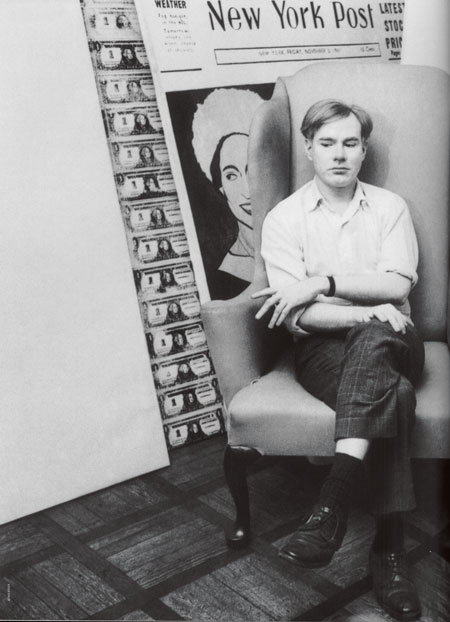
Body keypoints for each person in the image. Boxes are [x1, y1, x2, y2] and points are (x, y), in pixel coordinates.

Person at [253, 100, 424, 621]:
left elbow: (397, 285)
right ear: (308, 149)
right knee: (393, 394)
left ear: (364, 149)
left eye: (350, 143)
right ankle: (389, 550)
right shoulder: (284, 219)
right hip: (321, 348)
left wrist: (323, 283)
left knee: (378, 339)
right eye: (327, 143)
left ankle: (331, 505)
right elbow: (293, 316)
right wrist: (366, 310)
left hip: (399, 340)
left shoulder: (390, 206)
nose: (339, 154)